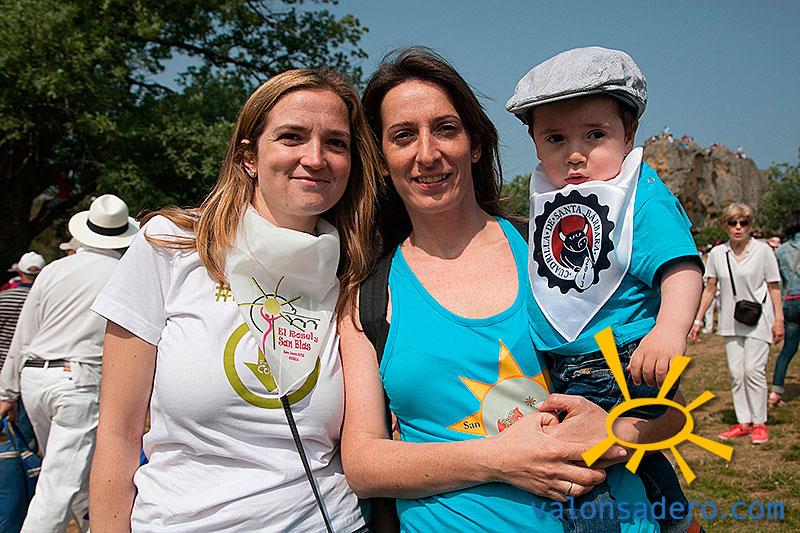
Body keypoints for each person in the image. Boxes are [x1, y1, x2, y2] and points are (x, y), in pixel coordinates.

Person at [340, 47, 686, 532]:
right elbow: (364, 465)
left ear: (476, 144)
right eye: (403, 136)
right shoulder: (367, 296)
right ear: (380, 158)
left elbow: (672, 411)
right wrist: (499, 460)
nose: (427, 153)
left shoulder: (562, 246)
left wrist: (618, 432)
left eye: (446, 129)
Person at [88, 68, 382, 532]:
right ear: (249, 157)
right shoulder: (169, 245)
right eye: (291, 137)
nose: (315, 158)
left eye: (336, 143)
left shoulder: (356, 273)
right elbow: (117, 433)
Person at [506, 46, 703, 531]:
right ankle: (676, 520)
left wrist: (669, 330)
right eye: (555, 138)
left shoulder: (640, 196)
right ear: (535, 144)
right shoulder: (549, 199)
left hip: (622, 358)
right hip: (572, 365)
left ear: (628, 134)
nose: (575, 154)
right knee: (634, 461)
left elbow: (681, 267)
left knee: (579, 467)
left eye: (595, 135)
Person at [0, 194, 138, 532]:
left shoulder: (53, 270)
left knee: (72, 470)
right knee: (60, 482)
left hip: (35, 377)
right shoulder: (125, 274)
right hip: (78, 380)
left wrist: (7, 392)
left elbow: (24, 334)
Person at [689, 203, 784, 444]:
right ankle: (744, 421)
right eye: (733, 223)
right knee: (736, 373)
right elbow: (710, 288)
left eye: (743, 223)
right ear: (726, 225)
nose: (738, 227)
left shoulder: (763, 251)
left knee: (753, 370)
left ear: (750, 225)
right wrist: (698, 319)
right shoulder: (718, 253)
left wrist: (779, 320)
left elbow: (774, 287)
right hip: (731, 320)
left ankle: (759, 422)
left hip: (760, 318)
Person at [769, 210, 800, 407]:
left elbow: (777, 281)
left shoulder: (781, 250)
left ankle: (776, 391)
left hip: (790, 301)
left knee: (788, 349)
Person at [0, 252, 45, 372]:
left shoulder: (3, 298)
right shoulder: (46, 300)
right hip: (32, 363)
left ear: (19, 272)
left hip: (3, 360)